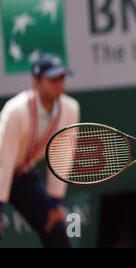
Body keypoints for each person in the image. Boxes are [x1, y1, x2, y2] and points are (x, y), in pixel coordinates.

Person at [0, 54, 80, 247]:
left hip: (23, 173)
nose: (59, 84)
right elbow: (3, 159)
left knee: (55, 230)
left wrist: (53, 203)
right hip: (2, 169)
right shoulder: (16, 110)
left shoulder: (70, 108)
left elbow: (61, 155)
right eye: (52, 79)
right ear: (35, 81)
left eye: (62, 78)